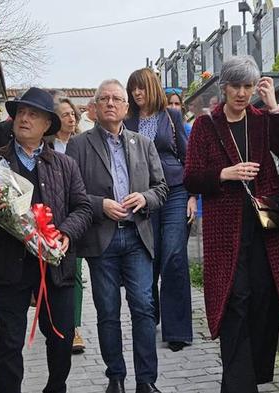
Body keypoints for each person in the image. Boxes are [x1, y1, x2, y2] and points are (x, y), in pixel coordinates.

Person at [183, 55, 279, 392]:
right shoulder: (205, 126)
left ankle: (247, 377)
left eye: (248, 86)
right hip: (226, 230)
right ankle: (239, 386)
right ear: (224, 86)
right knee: (234, 300)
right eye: (236, 85)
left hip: (265, 226)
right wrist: (224, 174)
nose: (242, 93)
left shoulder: (261, 120)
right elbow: (192, 178)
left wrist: (274, 108)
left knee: (262, 298)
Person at [0, 87, 92, 393]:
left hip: (55, 266)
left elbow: (84, 207)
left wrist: (65, 233)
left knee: (60, 337)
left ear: (47, 124)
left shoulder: (64, 165)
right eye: (21, 112)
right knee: (9, 342)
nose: (24, 118)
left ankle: (55, 388)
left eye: (33, 114)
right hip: (9, 265)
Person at [66, 79, 168, 393]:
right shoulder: (79, 144)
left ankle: (146, 381)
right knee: (107, 311)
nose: (111, 103)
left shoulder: (143, 143)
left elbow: (161, 188)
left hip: (137, 237)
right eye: (105, 99)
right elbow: (72, 193)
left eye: (117, 99)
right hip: (101, 239)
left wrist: (145, 199)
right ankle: (116, 378)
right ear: (94, 108)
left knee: (143, 306)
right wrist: (100, 204)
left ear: (126, 107)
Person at [124, 68, 196, 353]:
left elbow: (188, 158)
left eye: (141, 88)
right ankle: (148, 317)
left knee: (174, 256)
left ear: (152, 88)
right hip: (144, 196)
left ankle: (177, 330)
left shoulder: (172, 116)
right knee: (149, 257)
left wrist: (193, 196)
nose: (137, 93)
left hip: (176, 191)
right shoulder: (127, 121)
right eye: (133, 89)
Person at [47, 96, 87, 353]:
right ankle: (51, 319)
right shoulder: (46, 147)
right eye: (64, 114)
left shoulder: (82, 145)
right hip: (47, 219)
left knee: (75, 273)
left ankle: (74, 327)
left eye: (72, 113)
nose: (71, 118)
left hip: (76, 219)